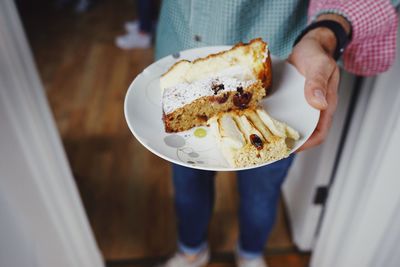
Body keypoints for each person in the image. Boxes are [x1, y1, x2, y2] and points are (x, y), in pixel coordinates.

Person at [154, 1, 399, 266]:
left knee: (262, 192)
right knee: (188, 184)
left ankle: (250, 252)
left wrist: (326, 32)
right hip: (181, 50)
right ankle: (191, 249)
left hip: (282, 72)